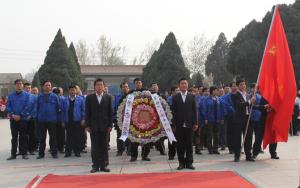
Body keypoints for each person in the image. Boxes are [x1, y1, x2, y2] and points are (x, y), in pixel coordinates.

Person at [85, 78, 112, 173]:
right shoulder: (89, 97)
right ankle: (95, 165)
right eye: (97, 85)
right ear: (94, 87)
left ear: (104, 87)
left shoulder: (108, 97)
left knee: (104, 146)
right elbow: (87, 112)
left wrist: (110, 125)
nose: (99, 86)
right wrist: (87, 125)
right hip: (93, 126)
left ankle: (104, 165)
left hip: (105, 126)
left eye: (101, 85)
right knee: (95, 146)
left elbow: (110, 112)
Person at [172, 78, 198, 170]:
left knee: (189, 145)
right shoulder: (175, 97)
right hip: (179, 125)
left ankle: (189, 163)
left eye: (185, 83)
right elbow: (173, 112)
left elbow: (194, 111)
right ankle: (181, 163)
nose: (183, 85)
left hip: (190, 124)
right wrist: (173, 125)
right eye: (182, 83)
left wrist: (196, 123)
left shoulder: (192, 96)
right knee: (180, 145)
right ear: (179, 85)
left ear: (188, 85)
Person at [231, 78, 256, 162]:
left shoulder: (247, 95)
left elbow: (251, 105)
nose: (243, 86)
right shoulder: (235, 95)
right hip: (238, 120)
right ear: (238, 86)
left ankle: (248, 155)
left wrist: (253, 102)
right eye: (241, 84)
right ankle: (237, 155)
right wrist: (249, 102)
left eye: (244, 84)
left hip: (247, 118)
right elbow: (239, 105)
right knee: (237, 139)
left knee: (248, 137)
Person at [6, 79, 30, 160]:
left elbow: (27, 107)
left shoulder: (27, 95)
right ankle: (13, 154)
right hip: (13, 120)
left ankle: (24, 153)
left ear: (22, 85)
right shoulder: (10, 95)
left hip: (23, 119)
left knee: (23, 136)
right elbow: (8, 106)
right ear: (15, 85)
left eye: (20, 84)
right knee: (14, 137)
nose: (19, 85)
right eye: (17, 84)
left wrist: (20, 115)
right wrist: (12, 114)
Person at [36, 81, 61, 159]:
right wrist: (38, 117)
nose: (47, 86)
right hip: (42, 120)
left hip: (52, 120)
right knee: (42, 138)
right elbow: (37, 108)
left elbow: (58, 108)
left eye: (49, 85)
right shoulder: (40, 96)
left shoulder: (55, 96)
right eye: (46, 85)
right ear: (43, 87)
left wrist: (55, 118)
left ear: (51, 87)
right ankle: (41, 154)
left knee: (53, 137)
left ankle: (54, 153)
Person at [129, 78, 151, 162]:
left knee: (146, 137)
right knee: (134, 138)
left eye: (140, 82)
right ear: (134, 84)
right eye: (137, 83)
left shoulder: (147, 92)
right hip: (134, 118)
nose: (138, 84)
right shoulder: (131, 93)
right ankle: (133, 156)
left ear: (142, 83)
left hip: (145, 117)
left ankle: (145, 155)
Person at [62, 85, 85, 157]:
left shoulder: (80, 99)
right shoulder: (65, 100)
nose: (72, 91)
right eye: (71, 90)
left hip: (77, 120)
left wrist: (83, 119)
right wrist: (63, 121)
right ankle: (68, 152)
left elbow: (83, 110)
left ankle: (77, 152)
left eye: (74, 90)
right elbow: (63, 111)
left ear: (76, 91)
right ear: (69, 91)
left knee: (77, 137)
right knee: (68, 137)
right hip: (68, 120)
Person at [202, 86, 224, 155]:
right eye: (215, 90)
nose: (216, 91)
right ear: (212, 91)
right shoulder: (206, 99)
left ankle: (215, 148)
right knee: (209, 135)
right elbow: (204, 109)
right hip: (209, 119)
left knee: (216, 135)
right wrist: (205, 118)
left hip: (217, 119)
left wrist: (222, 118)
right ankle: (210, 149)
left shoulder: (218, 99)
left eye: (216, 90)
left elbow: (221, 109)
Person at [113, 82, 130, 156]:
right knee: (119, 135)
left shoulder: (131, 96)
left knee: (129, 136)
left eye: (126, 87)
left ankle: (129, 150)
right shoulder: (117, 97)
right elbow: (114, 108)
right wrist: (114, 118)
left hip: (130, 119)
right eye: (123, 87)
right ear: (121, 88)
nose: (125, 88)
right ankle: (120, 150)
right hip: (120, 119)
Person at [24, 83, 38, 155]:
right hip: (23, 118)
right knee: (23, 134)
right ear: (24, 88)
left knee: (32, 134)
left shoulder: (34, 97)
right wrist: (25, 115)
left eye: (29, 88)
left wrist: (30, 115)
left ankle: (31, 149)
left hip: (31, 118)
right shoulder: (21, 96)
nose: (28, 89)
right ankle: (24, 149)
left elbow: (35, 107)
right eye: (26, 88)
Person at [167, 86, 179, 160]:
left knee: (179, 139)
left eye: (178, 90)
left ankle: (179, 153)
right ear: (172, 92)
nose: (178, 91)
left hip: (179, 122)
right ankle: (171, 154)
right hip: (171, 122)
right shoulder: (169, 99)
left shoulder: (179, 98)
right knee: (171, 139)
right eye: (176, 90)